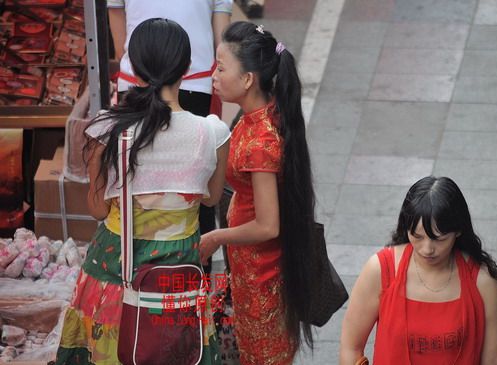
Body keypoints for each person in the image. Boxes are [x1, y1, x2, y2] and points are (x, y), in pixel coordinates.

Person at [55, 18, 230, 365]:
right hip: (177, 274)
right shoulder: (212, 133)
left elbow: (98, 210)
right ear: (186, 68)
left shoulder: (106, 129)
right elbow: (211, 198)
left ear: (133, 69)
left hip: (115, 271)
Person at [198, 21, 317, 365]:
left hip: (263, 274)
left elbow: (268, 226)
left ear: (248, 79)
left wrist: (217, 236)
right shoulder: (256, 117)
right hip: (250, 267)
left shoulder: (261, 142)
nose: (214, 76)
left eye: (221, 68)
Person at [108, 0, 233, 273]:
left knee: (193, 183)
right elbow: (115, 8)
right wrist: (129, 60)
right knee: (138, 178)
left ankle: (189, 275)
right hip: (142, 77)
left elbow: (220, 14)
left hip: (192, 78)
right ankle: (147, 271)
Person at [339, 176, 497, 365]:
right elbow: (350, 347)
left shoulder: (482, 280)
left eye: (439, 238)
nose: (427, 249)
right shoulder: (381, 270)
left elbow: (494, 358)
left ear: (458, 230)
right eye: (417, 236)